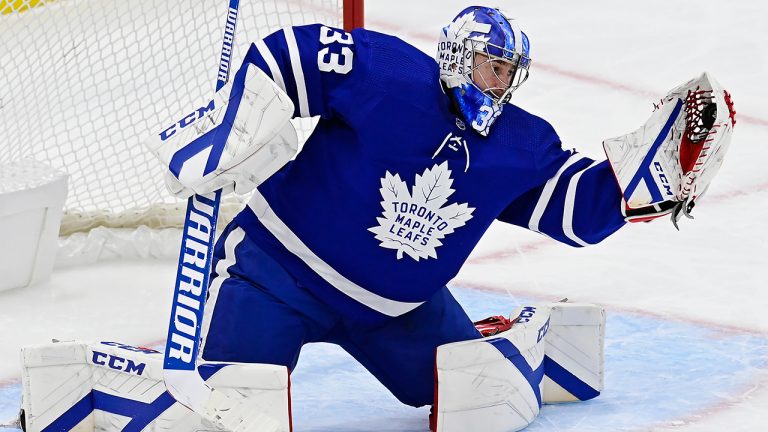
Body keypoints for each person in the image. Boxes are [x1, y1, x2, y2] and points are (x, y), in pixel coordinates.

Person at [153, 5, 734, 431]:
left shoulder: (518, 143)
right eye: (489, 65)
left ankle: (514, 338)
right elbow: (288, 56)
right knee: (231, 413)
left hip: (396, 314)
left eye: (508, 72)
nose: (497, 81)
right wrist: (236, 124)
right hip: (275, 278)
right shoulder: (385, 73)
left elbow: (576, 212)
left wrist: (648, 176)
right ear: (457, 54)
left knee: (483, 401)